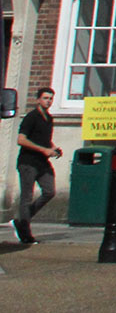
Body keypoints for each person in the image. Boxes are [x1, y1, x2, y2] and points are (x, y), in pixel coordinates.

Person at [13, 87, 60, 245]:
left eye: (51, 98)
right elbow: (21, 140)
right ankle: (25, 233)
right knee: (26, 197)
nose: (48, 101)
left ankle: (22, 221)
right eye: (46, 98)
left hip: (42, 162)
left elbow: (45, 140)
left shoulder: (49, 118)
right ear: (38, 100)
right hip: (28, 162)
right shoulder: (31, 117)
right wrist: (43, 150)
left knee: (49, 191)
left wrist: (53, 149)